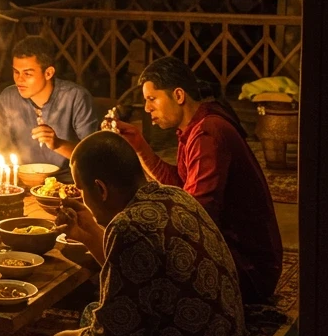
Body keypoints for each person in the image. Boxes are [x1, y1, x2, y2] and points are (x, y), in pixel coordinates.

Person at [17, 132, 245, 336]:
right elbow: (137, 280)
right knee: (91, 312)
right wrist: (89, 235)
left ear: (100, 188)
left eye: (82, 190)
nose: (82, 197)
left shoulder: (129, 228)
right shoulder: (176, 197)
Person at [111, 56, 282, 304]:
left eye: (152, 99)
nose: (147, 108)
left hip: (248, 269)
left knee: (143, 256)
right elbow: (181, 186)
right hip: (243, 259)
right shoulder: (196, 127)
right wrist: (139, 146)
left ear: (178, 96)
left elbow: (197, 214)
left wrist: (143, 225)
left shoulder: (208, 133)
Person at [0, 35, 98, 178]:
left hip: (67, 182)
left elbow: (92, 155)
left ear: (48, 73)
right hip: (22, 180)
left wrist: (57, 144)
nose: (19, 79)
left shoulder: (75, 98)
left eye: (27, 73)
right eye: (16, 72)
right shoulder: (8, 97)